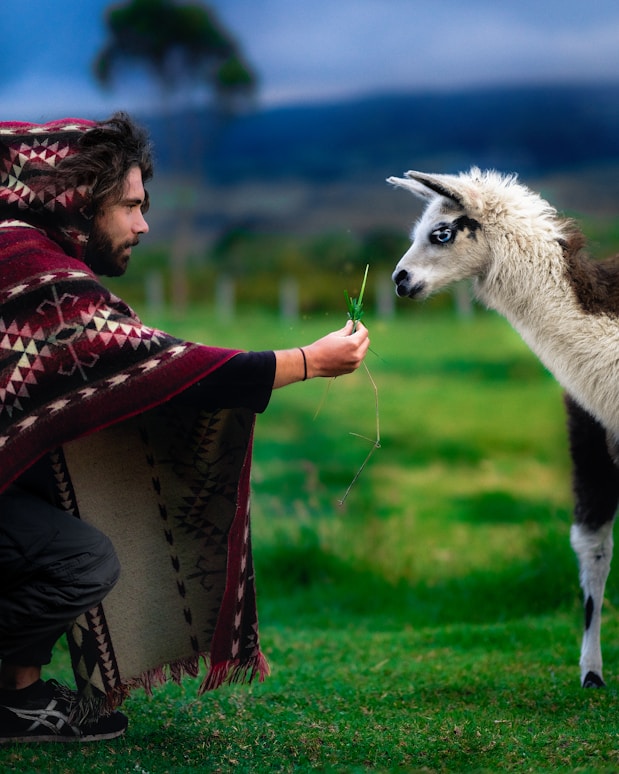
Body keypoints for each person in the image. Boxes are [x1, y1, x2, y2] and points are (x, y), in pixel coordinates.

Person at [0, 113, 369, 744]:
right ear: (82, 202)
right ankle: (13, 698)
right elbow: (154, 366)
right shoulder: (31, 269)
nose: (143, 224)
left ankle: (17, 694)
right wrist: (307, 362)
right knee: (81, 559)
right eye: (130, 206)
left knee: (52, 487)